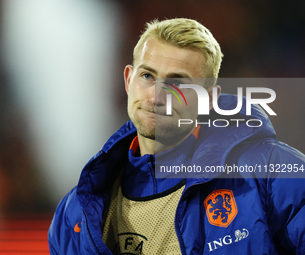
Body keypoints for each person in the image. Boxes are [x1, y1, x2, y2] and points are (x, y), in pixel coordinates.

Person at [48, 18, 305, 255]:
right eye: (147, 76)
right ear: (128, 80)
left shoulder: (273, 174)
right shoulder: (75, 214)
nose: (156, 97)